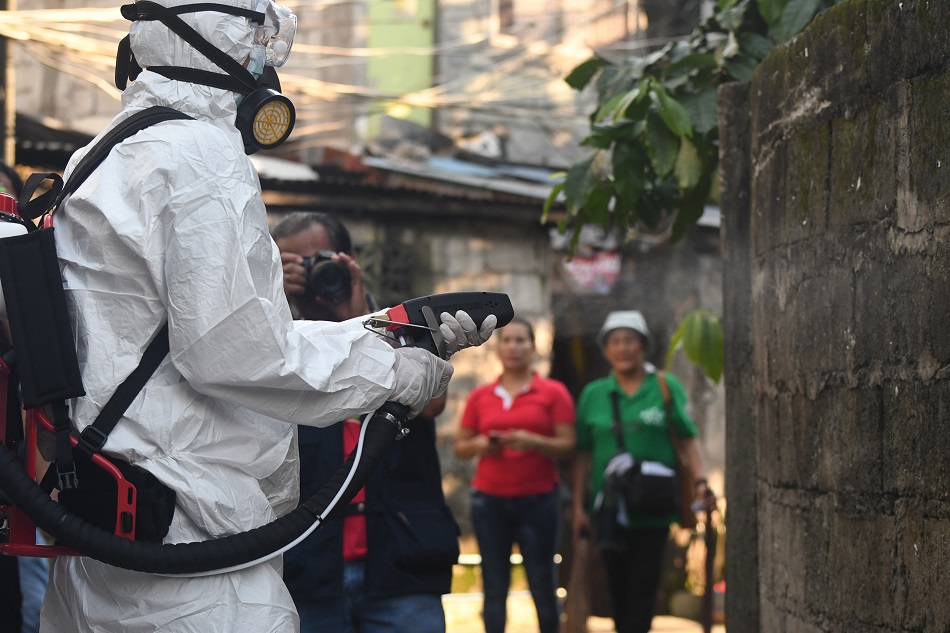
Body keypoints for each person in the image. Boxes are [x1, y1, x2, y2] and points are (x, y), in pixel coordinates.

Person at [37, 2, 493, 630]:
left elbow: (178, 340)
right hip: (191, 548)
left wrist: (386, 329)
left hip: (108, 536)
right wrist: (395, 375)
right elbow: (238, 353)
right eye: (260, 36)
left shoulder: (101, 154)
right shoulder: (201, 153)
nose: (268, 58)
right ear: (211, 35)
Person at [274, 211, 459, 633]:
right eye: (291, 266)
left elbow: (432, 402)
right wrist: (275, 298)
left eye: (318, 260)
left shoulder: (404, 325)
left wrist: (357, 320)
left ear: (348, 259)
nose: (309, 275)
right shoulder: (272, 345)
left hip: (401, 560)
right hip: (307, 566)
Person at [570, 310, 715, 633]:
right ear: (606, 350)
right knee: (616, 590)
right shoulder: (594, 394)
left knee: (644, 588)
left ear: (643, 347)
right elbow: (582, 454)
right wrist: (579, 506)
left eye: (631, 341)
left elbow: (689, 440)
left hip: (654, 510)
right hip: (608, 511)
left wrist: (701, 482)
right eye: (616, 342)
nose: (623, 348)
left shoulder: (664, 386)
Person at [454, 317, 576, 633]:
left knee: (542, 583)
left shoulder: (553, 392)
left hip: (539, 500)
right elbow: (461, 447)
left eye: (521, 340)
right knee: (494, 586)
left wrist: (535, 442)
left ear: (533, 348)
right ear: (497, 348)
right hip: (489, 501)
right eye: (507, 340)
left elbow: (568, 445)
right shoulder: (481, 396)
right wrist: (481, 444)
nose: (513, 347)